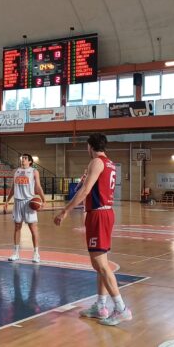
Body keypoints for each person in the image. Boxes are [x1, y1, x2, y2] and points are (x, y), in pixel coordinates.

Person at [54, 134, 132, 326]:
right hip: (104, 212)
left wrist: (65, 210)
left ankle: (121, 309)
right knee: (100, 264)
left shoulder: (96, 162)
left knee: (101, 264)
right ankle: (100, 305)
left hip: (99, 214)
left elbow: (85, 190)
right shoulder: (109, 163)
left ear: (90, 146)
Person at [3, 154, 45, 263]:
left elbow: (38, 187)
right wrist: (7, 201)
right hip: (17, 202)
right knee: (17, 227)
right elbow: (13, 187)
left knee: (33, 228)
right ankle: (16, 253)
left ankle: (36, 254)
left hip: (28, 202)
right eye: (22, 158)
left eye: (25, 158)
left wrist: (43, 199)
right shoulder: (16, 171)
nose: (23, 159)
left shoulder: (34, 171)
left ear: (30, 161)